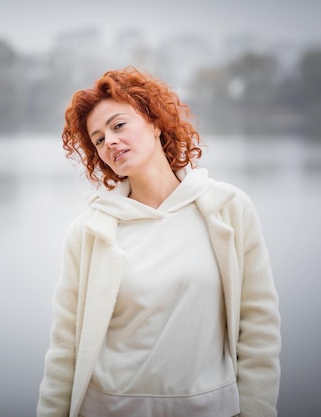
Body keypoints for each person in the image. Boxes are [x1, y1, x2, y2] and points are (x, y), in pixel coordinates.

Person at [37, 67, 281, 417]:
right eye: (99, 139)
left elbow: (259, 330)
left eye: (118, 125)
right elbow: (64, 351)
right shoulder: (90, 231)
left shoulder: (227, 209)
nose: (110, 142)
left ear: (154, 122)